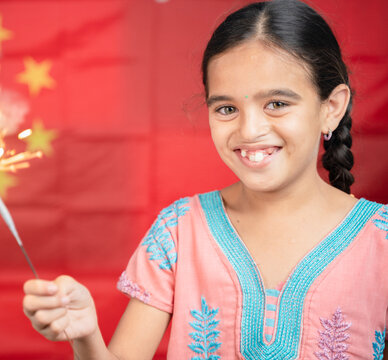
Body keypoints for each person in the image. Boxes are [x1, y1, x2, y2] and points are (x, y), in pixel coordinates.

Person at [22, 0, 388, 358]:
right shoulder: (179, 231)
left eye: (277, 103)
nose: (250, 129)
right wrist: (86, 337)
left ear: (332, 108)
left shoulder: (381, 243)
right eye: (227, 108)